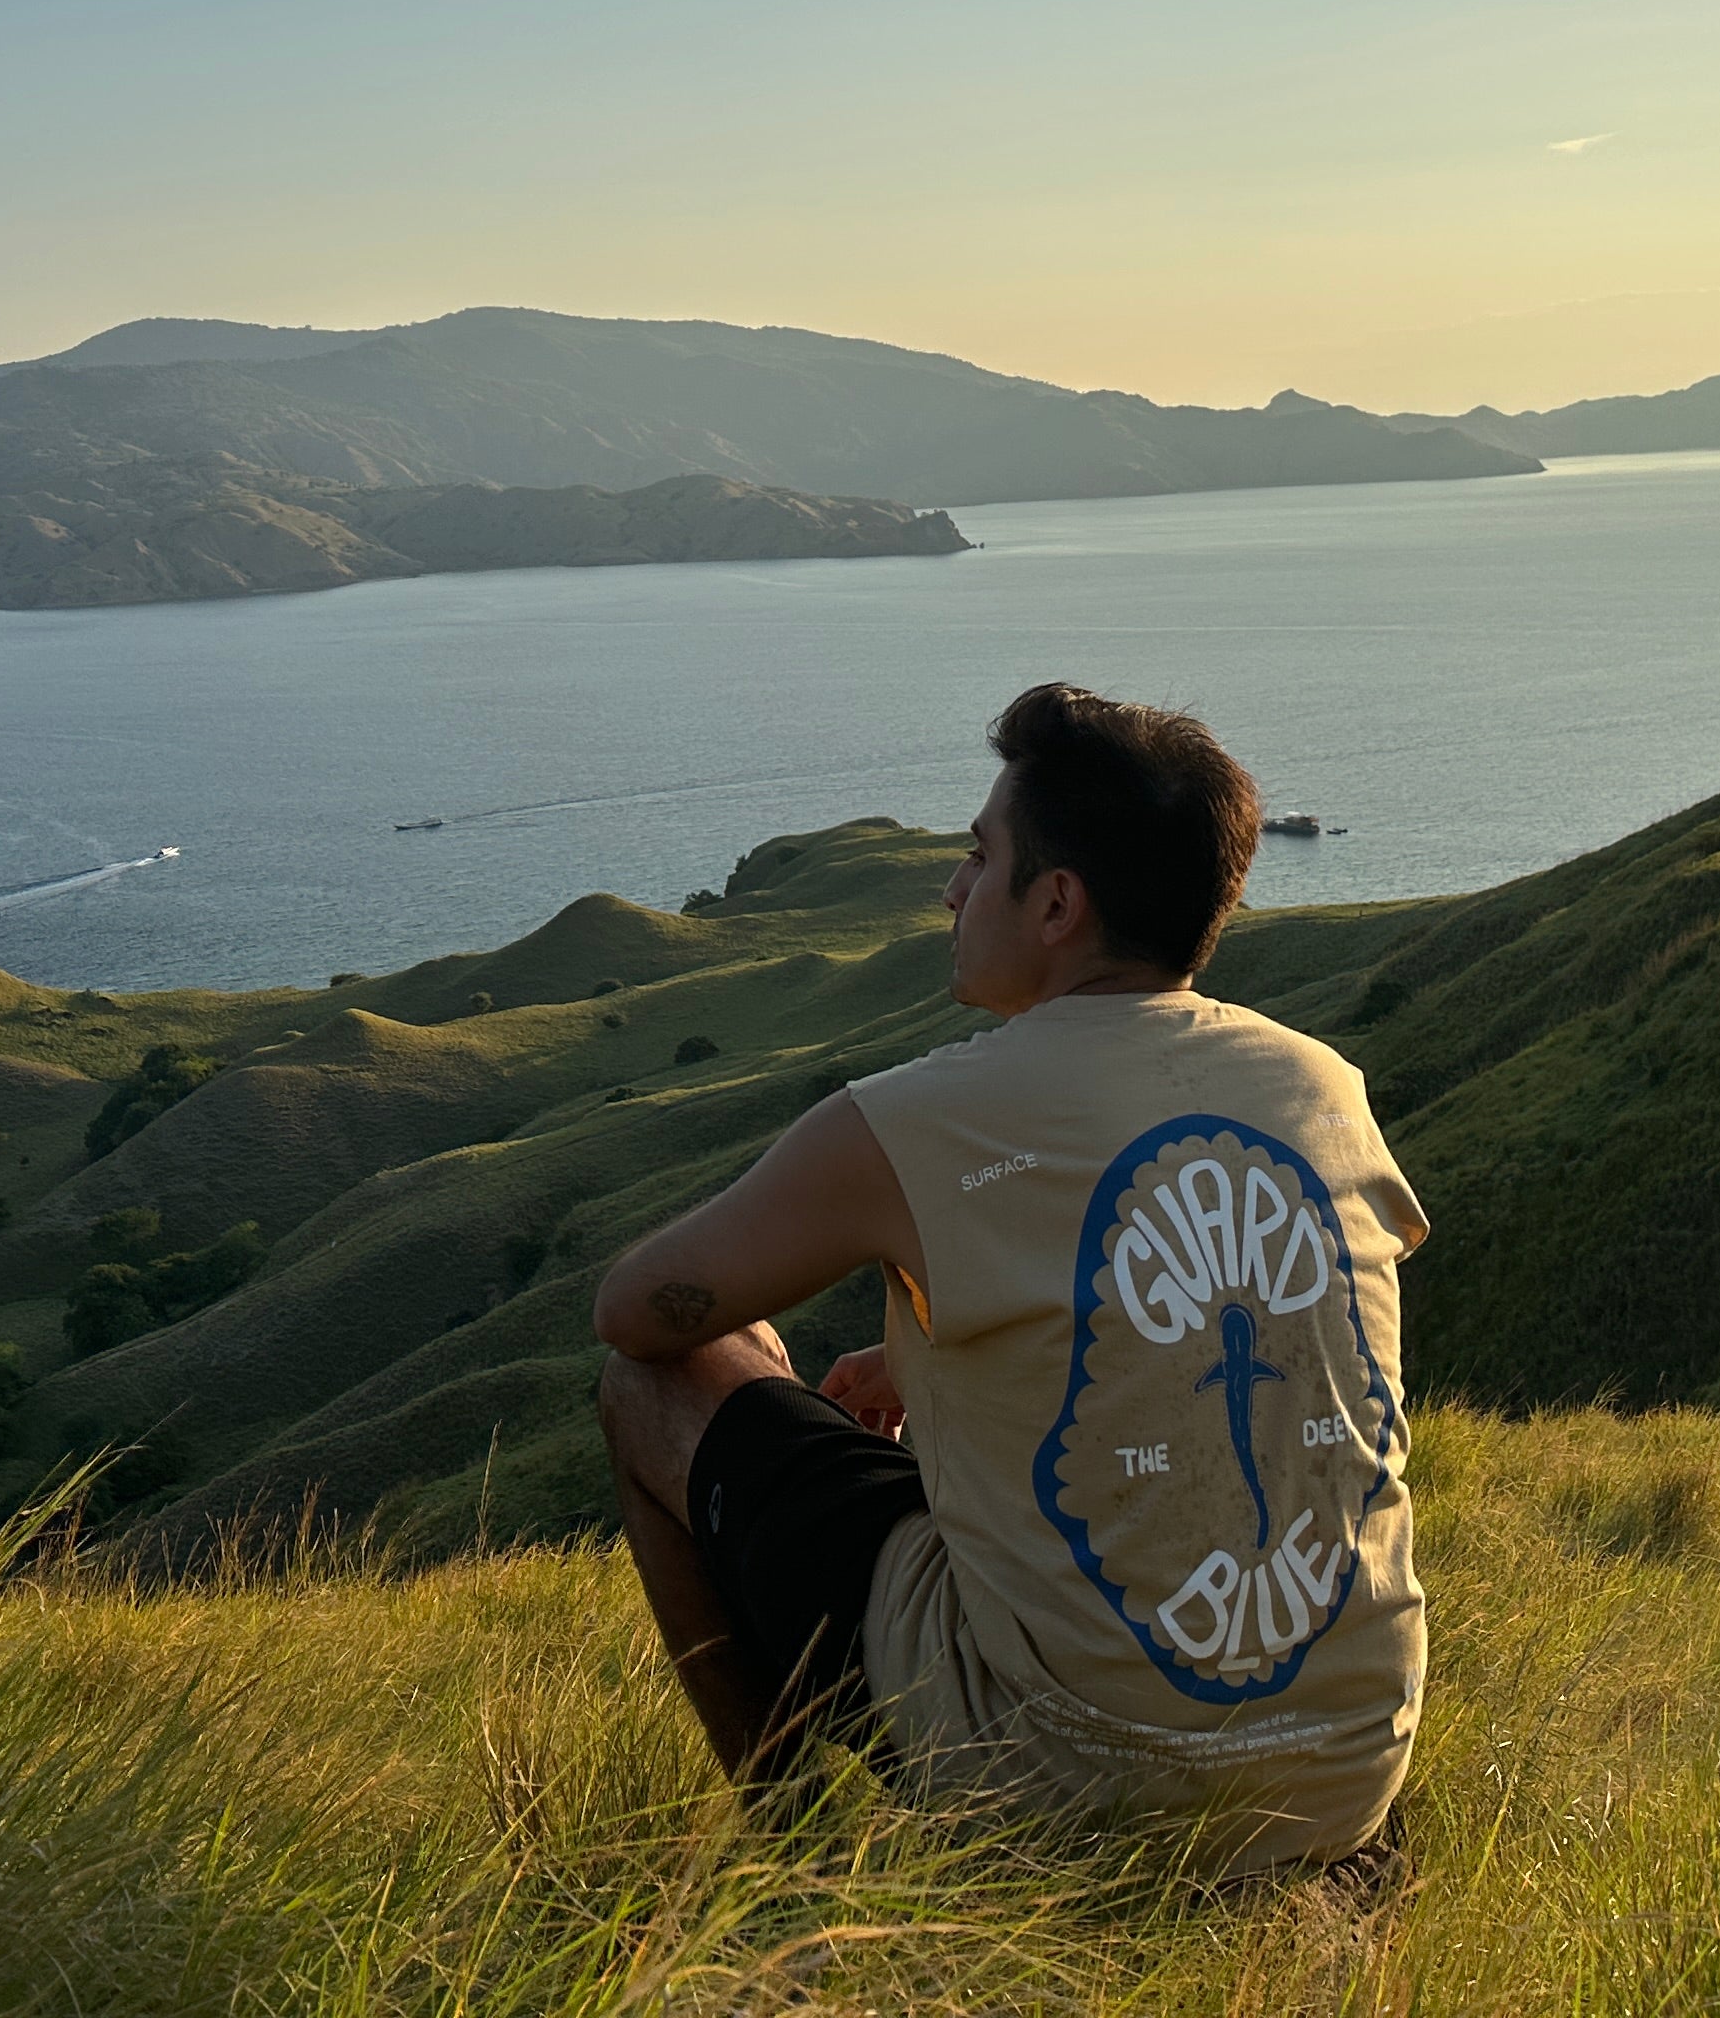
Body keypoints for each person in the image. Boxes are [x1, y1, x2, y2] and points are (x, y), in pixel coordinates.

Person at [591, 682, 1428, 1874]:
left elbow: (635, 1309)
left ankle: (785, 1857)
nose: (950, 889)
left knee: (657, 1385)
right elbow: (1283, 1322)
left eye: (977, 857)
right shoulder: (1325, 1089)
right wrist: (937, 1359)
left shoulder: (920, 1118)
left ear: (1054, 903)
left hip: (1072, 1780)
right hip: (1349, 1772)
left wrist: (787, 1349)